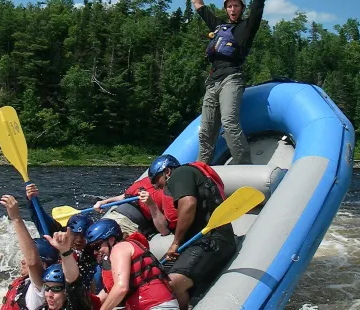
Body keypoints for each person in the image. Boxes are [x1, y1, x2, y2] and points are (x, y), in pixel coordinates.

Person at [149, 154, 237, 310]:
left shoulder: (181, 173)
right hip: (195, 241)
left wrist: (176, 243)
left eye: (157, 181)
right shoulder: (184, 176)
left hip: (212, 239)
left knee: (167, 285)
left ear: (167, 172)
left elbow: (188, 204)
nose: (158, 187)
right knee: (152, 279)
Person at [194, 0, 266, 165]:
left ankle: (245, 164)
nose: (233, 9)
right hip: (212, 81)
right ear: (226, 9)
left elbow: (258, 5)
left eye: (236, 6)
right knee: (205, 131)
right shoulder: (219, 26)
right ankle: (201, 168)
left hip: (231, 78)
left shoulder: (248, 26)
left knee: (228, 122)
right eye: (229, 6)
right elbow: (199, 6)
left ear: (242, 8)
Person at [85, 218, 180, 310]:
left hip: (156, 306)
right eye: (92, 248)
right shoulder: (124, 250)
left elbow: (121, 288)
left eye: (97, 246)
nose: (95, 252)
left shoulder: (119, 248)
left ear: (111, 240)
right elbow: (108, 292)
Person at [25, 184, 99, 292]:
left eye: (83, 235)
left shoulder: (95, 248)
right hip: (54, 290)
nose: (79, 240)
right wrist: (31, 199)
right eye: (75, 235)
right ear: (68, 232)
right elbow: (40, 218)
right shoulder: (59, 238)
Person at [0, 194, 60, 310]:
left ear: (43, 265)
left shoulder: (39, 289)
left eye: (26, 257)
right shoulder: (25, 283)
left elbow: (32, 262)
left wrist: (16, 218)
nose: (23, 261)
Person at [93, 175, 177, 237]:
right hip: (113, 217)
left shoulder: (171, 194)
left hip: (129, 226)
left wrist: (151, 204)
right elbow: (126, 196)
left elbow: (164, 231)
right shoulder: (150, 180)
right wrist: (105, 201)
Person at [37, 228, 97, 310]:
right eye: (47, 288)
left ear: (66, 292)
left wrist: (65, 251)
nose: (49, 294)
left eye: (56, 289)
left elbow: (72, 281)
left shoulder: (75, 306)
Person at [1, 239, 60, 310]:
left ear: (42, 265)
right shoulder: (24, 281)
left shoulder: (37, 290)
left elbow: (33, 264)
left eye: (27, 259)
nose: (22, 261)